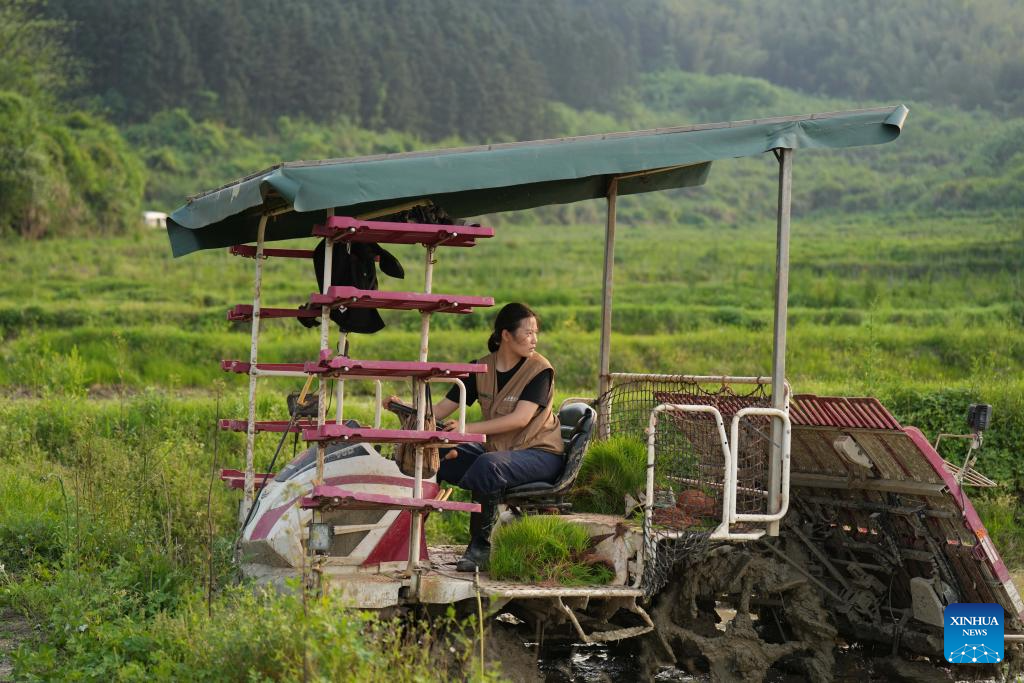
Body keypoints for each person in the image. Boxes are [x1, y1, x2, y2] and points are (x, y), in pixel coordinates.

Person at [392, 303, 564, 572]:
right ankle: (407, 537)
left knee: (488, 465)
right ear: (506, 335)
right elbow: (440, 410)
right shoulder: (480, 368)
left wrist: (466, 429)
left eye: (535, 333)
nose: (534, 340)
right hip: (500, 452)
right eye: (528, 333)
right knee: (438, 454)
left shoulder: (539, 370)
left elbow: (520, 419)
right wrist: (405, 409)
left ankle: (480, 549)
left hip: (540, 453)